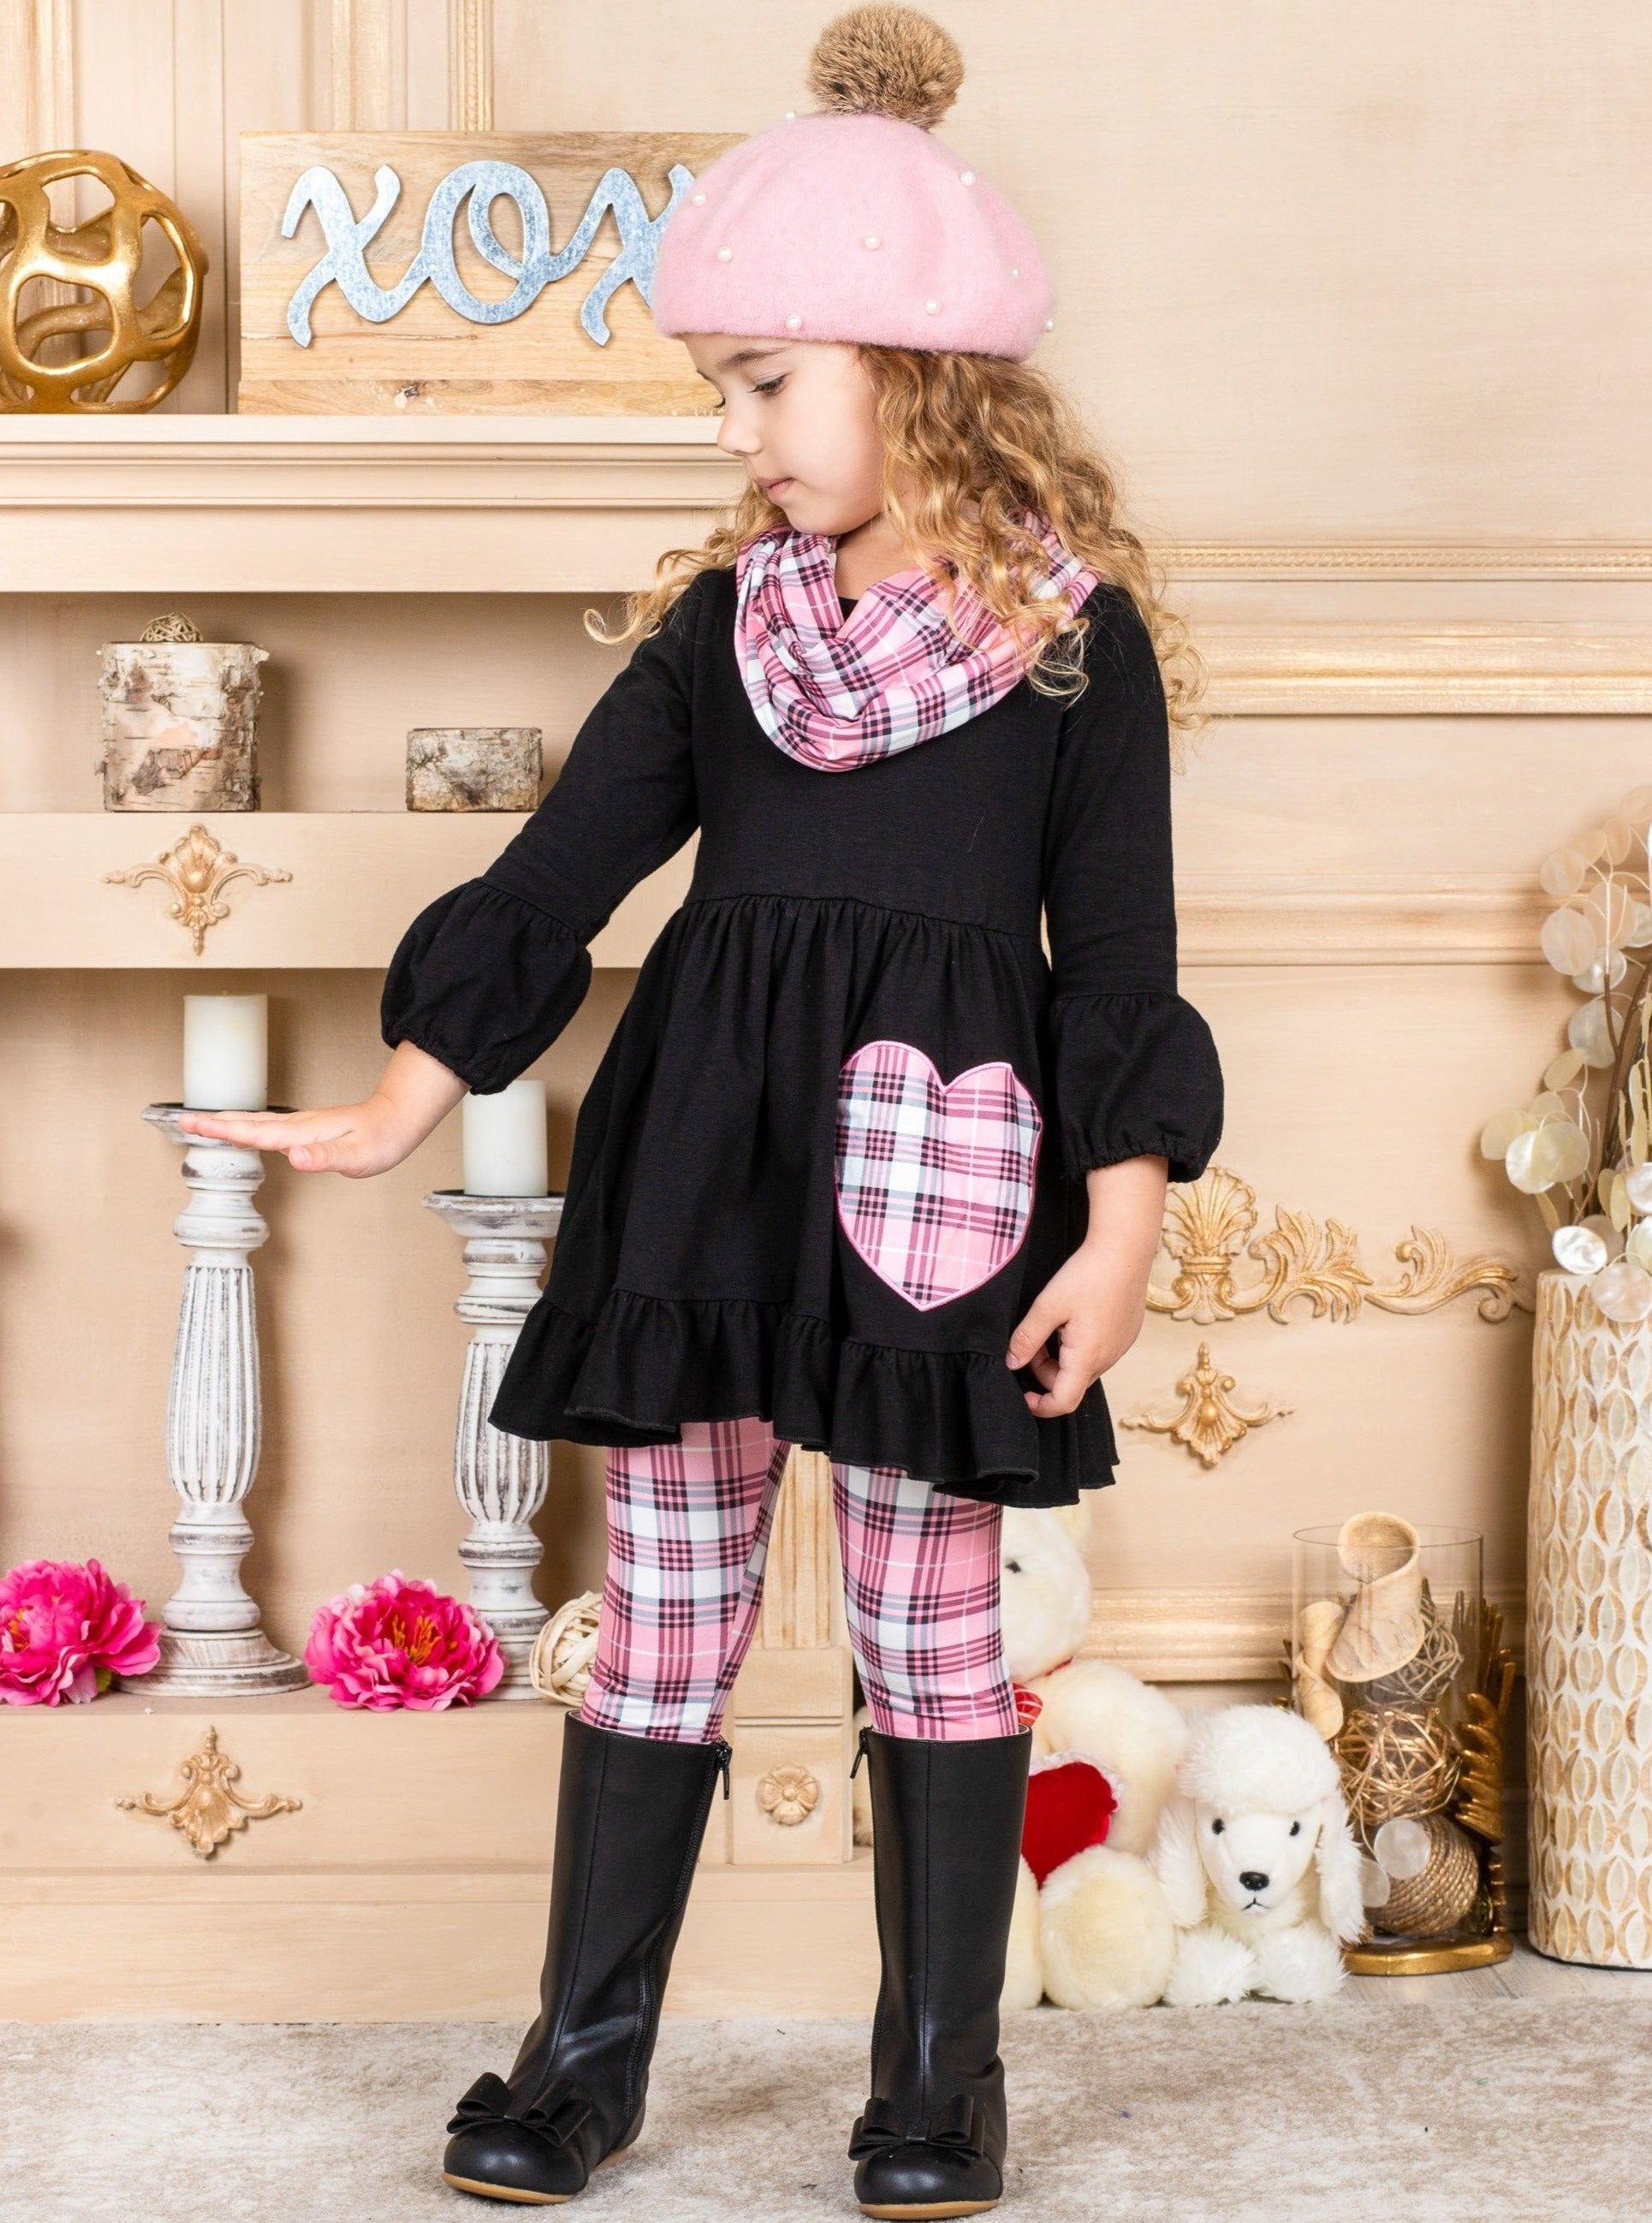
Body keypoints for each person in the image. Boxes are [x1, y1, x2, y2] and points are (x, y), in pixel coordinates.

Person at [181, 7, 1224, 2214]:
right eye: (723, 391)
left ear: (915, 370)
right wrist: (398, 1099)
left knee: (929, 1618)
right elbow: (566, 871)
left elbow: (1118, 967)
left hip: (947, 1174)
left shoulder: (1073, 645)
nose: (735, 434)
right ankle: (581, 2065)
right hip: (706, 1167)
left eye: (764, 383)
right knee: (664, 1610)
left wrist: (1123, 1227)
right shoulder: (718, 633)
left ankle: (938, 2083)